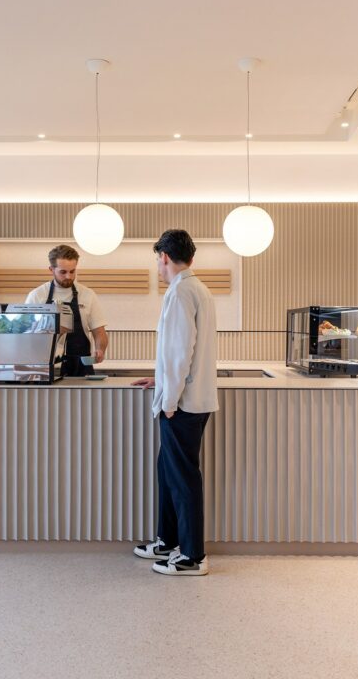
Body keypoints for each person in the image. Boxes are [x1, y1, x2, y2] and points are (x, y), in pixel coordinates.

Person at [132, 229, 217, 576]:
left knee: (182, 478)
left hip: (182, 403)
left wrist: (169, 397)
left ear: (164, 257)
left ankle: (193, 556)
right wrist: (162, 380)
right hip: (188, 397)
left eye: (158, 259)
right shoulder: (197, 289)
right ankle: (168, 541)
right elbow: (184, 352)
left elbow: (181, 351)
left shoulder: (181, 291)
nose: (158, 265)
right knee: (168, 471)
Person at [25, 244, 108, 378]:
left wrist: (100, 349)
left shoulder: (88, 295)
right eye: (63, 272)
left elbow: (99, 332)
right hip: (45, 366)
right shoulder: (37, 296)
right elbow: (27, 334)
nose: (68, 276)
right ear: (51, 269)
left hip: (81, 366)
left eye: (72, 271)